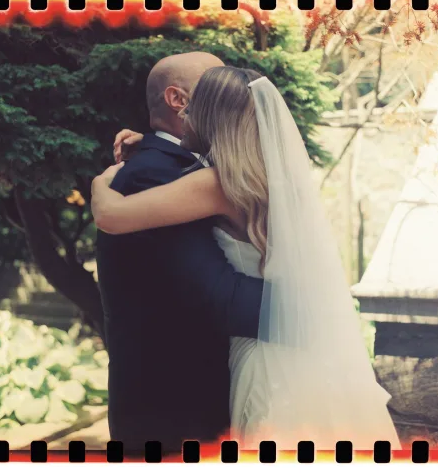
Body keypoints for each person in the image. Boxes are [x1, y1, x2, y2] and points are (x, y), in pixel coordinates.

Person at [92, 66, 402, 450]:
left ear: (208, 117)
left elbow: (110, 216)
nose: (185, 115)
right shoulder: (272, 176)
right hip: (306, 355)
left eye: (193, 110)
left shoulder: (214, 184)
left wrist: (100, 183)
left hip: (262, 357)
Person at [94, 53, 265, 455]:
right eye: (214, 85)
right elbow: (218, 298)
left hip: (191, 405)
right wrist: (310, 312)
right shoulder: (156, 173)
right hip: (173, 411)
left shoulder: (194, 167)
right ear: (178, 100)